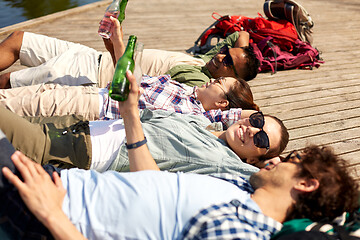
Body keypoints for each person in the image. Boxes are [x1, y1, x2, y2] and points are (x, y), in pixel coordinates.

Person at [0, 75, 358, 239]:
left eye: (291, 158)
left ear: (307, 184)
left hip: (51, 211)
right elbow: (153, 185)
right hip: (55, 185)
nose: (280, 161)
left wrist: (51, 215)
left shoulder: (240, 231)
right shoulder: (239, 192)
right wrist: (130, 114)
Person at [0, 71, 288, 175]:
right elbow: (240, 116)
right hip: (79, 125)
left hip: (81, 150)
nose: (253, 131)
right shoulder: (205, 126)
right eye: (258, 122)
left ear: (255, 159)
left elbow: (264, 182)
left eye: (261, 140)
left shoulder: (224, 163)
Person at [0, 17, 259, 89]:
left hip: (94, 74)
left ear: (233, 78)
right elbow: (238, 36)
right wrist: (242, 53)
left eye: (227, 61)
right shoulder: (206, 61)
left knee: (8, 83)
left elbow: (140, 84)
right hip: (93, 56)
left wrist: (116, 46)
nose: (221, 55)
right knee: (18, 39)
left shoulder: (199, 82)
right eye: (225, 52)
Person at [0, 74, 259, 128]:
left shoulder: (196, 115)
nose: (213, 79)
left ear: (223, 103)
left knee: (11, 107)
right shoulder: (184, 89)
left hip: (93, 107)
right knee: (11, 98)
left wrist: (254, 110)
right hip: (93, 90)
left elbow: (244, 116)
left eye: (220, 83)